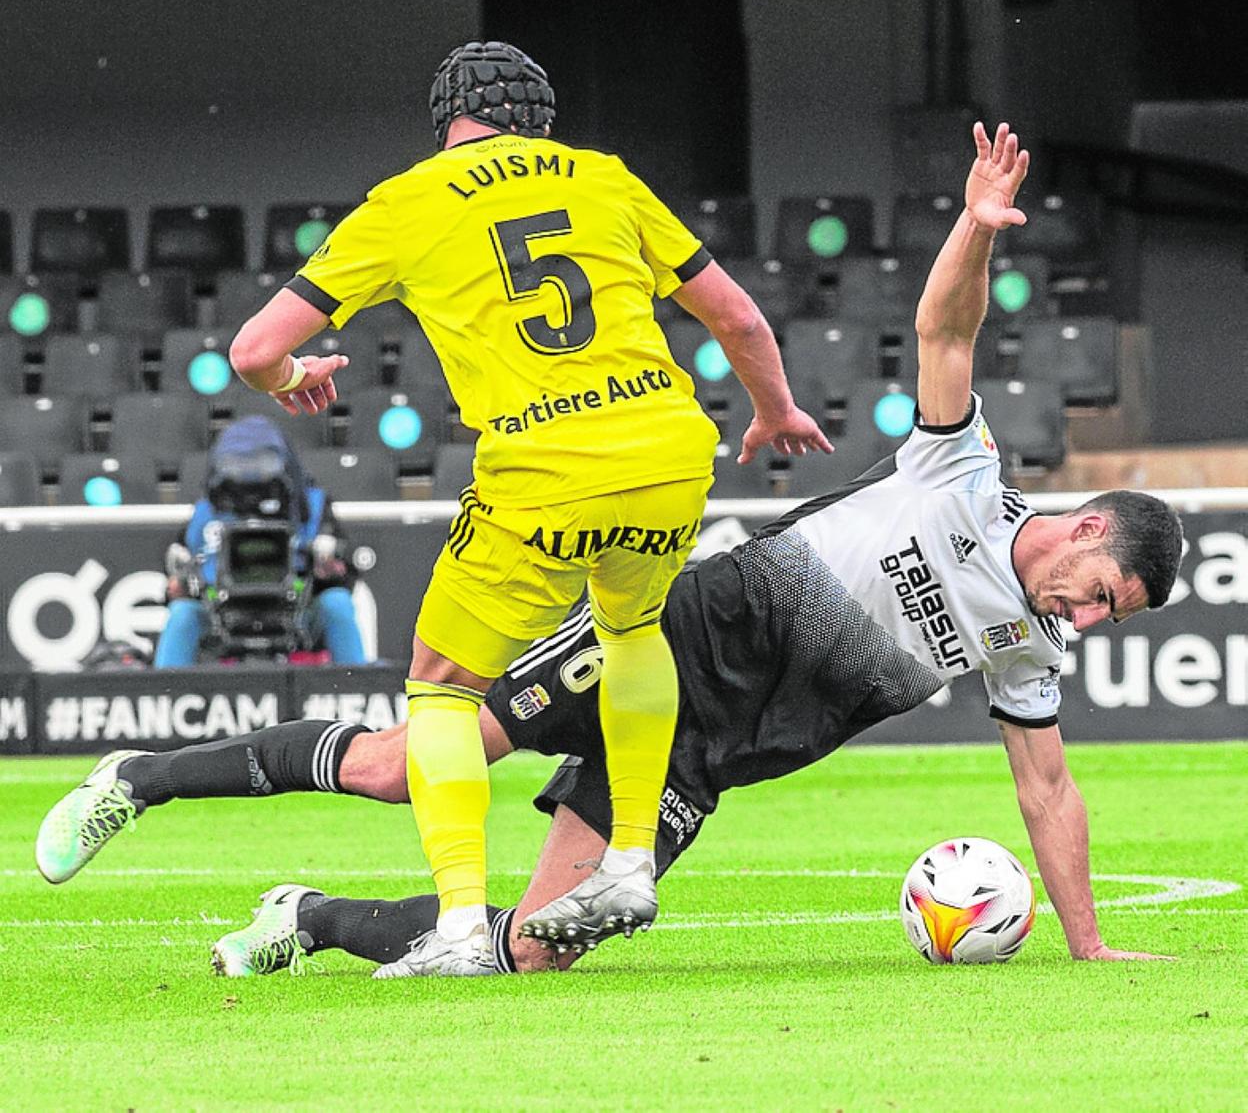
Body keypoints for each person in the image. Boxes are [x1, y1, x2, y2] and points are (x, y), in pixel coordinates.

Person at [36, 121, 1184, 975]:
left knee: (527, 955)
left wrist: (1088, 951)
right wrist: (976, 229)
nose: (1087, 622)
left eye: (1108, 622)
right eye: (1102, 596)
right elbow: (946, 329)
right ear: (1086, 527)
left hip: (717, 756)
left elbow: (1049, 788)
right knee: (400, 766)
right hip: (687, 637)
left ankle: (305, 918)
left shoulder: (1026, 644)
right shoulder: (962, 471)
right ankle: (137, 781)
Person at [224, 40, 829, 974]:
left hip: (544, 464)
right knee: (633, 631)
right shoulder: (604, 178)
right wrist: (776, 409)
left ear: (446, 119)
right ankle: (630, 858)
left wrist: (295, 376)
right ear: (538, 119)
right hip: (669, 447)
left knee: (439, 684)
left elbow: (253, 350)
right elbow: (740, 319)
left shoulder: (409, 200)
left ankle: (463, 923)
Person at [152, 415, 366, 668]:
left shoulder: (312, 507)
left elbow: (347, 569)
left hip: (295, 614)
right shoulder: (206, 513)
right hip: (221, 616)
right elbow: (176, 575)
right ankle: (164, 697)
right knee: (182, 615)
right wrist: (177, 585)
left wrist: (332, 568)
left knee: (337, 604)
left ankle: (359, 690)